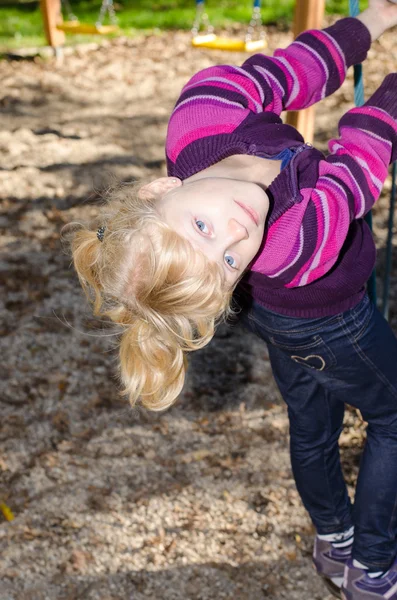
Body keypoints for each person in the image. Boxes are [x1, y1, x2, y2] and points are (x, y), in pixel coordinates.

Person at [67, 1, 397, 598]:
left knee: (312, 417)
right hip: (331, 321)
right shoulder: (289, 242)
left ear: (161, 187)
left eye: (200, 228)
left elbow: (287, 72)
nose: (236, 236)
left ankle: (334, 540)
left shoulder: (204, 111)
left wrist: (372, 22)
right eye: (226, 266)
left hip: (280, 321)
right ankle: (372, 566)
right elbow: (357, 168)